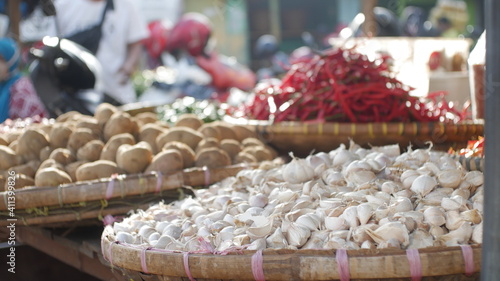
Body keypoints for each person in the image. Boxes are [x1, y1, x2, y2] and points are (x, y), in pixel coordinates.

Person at [51, 0, 149, 104]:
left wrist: (129, 65)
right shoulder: (63, 5)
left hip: (117, 91)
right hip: (76, 95)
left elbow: (136, 43)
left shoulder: (126, 5)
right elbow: (52, 46)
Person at [0, 37, 48, 123]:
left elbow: (35, 124)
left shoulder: (21, 89)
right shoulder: (2, 86)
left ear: (10, 61)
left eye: (1, 59)